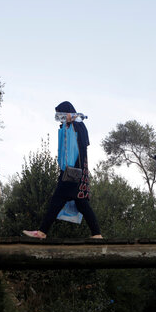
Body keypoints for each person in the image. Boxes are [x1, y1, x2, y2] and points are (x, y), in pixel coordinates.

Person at [22, 101, 102, 239]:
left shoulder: (76, 125)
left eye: (61, 114)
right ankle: (96, 234)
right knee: (80, 202)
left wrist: (69, 125)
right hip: (77, 172)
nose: (59, 118)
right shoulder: (78, 125)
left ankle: (42, 232)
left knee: (58, 200)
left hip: (72, 171)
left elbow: (71, 147)